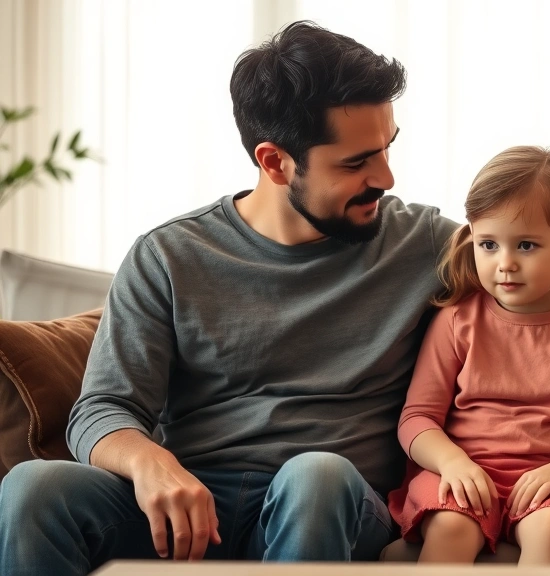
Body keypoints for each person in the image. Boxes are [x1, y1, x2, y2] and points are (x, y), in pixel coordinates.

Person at [0, 21, 460, 575]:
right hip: (189, 509)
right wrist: (150, 463)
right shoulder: (169, 256)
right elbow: (102, 408)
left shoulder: (427, 243)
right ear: (274, 161)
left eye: (387, 148)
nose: (386, 176)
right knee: (33, 485)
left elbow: (540, 277)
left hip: (328, 502)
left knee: (316, 475)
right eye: (356, 162)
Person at [387, 146, 550, 564]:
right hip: (463, 476)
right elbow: (417, 418)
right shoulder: (456, 320)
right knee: (451, 528)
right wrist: (452, 462)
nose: (505, 263)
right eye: (488, 244)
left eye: (526, 245)